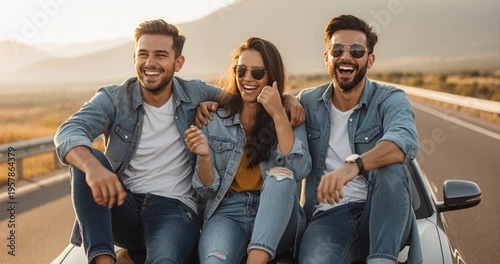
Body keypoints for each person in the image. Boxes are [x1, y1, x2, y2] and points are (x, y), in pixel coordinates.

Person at [54, 19, 304, 264]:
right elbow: (69, 132)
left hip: (174, 210)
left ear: (178, 62)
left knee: (165, 258)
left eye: (161, 55)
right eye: (143, 55)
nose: (150, 63)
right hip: (124, 204)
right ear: (134, 59)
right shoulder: (114, 98)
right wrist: (94, 168)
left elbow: (246, 96)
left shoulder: (195, 92)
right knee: (84, 158)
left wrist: (286, 100)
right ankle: (102, 259)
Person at [297, 15, 422, 264]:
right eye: (337, 50)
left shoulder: (389, 98)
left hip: (382, 215)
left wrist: (353, 166)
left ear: (369, 59)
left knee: (391, 167)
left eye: (356, 50)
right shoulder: (307, 102)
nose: (346, 57)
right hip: (327, 218)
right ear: (326, 58)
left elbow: (403, 141)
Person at [185, 37, 311, 264]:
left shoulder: (289, 116)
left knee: (280, 177)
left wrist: (278, 115)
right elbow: (207, 190)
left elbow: (298, 169)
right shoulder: (215, 119)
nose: (247, 78)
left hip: (277, 214)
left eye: (257, 72)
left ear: (272, 75)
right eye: (241, 70)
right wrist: (204, 156)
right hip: (227, 213)